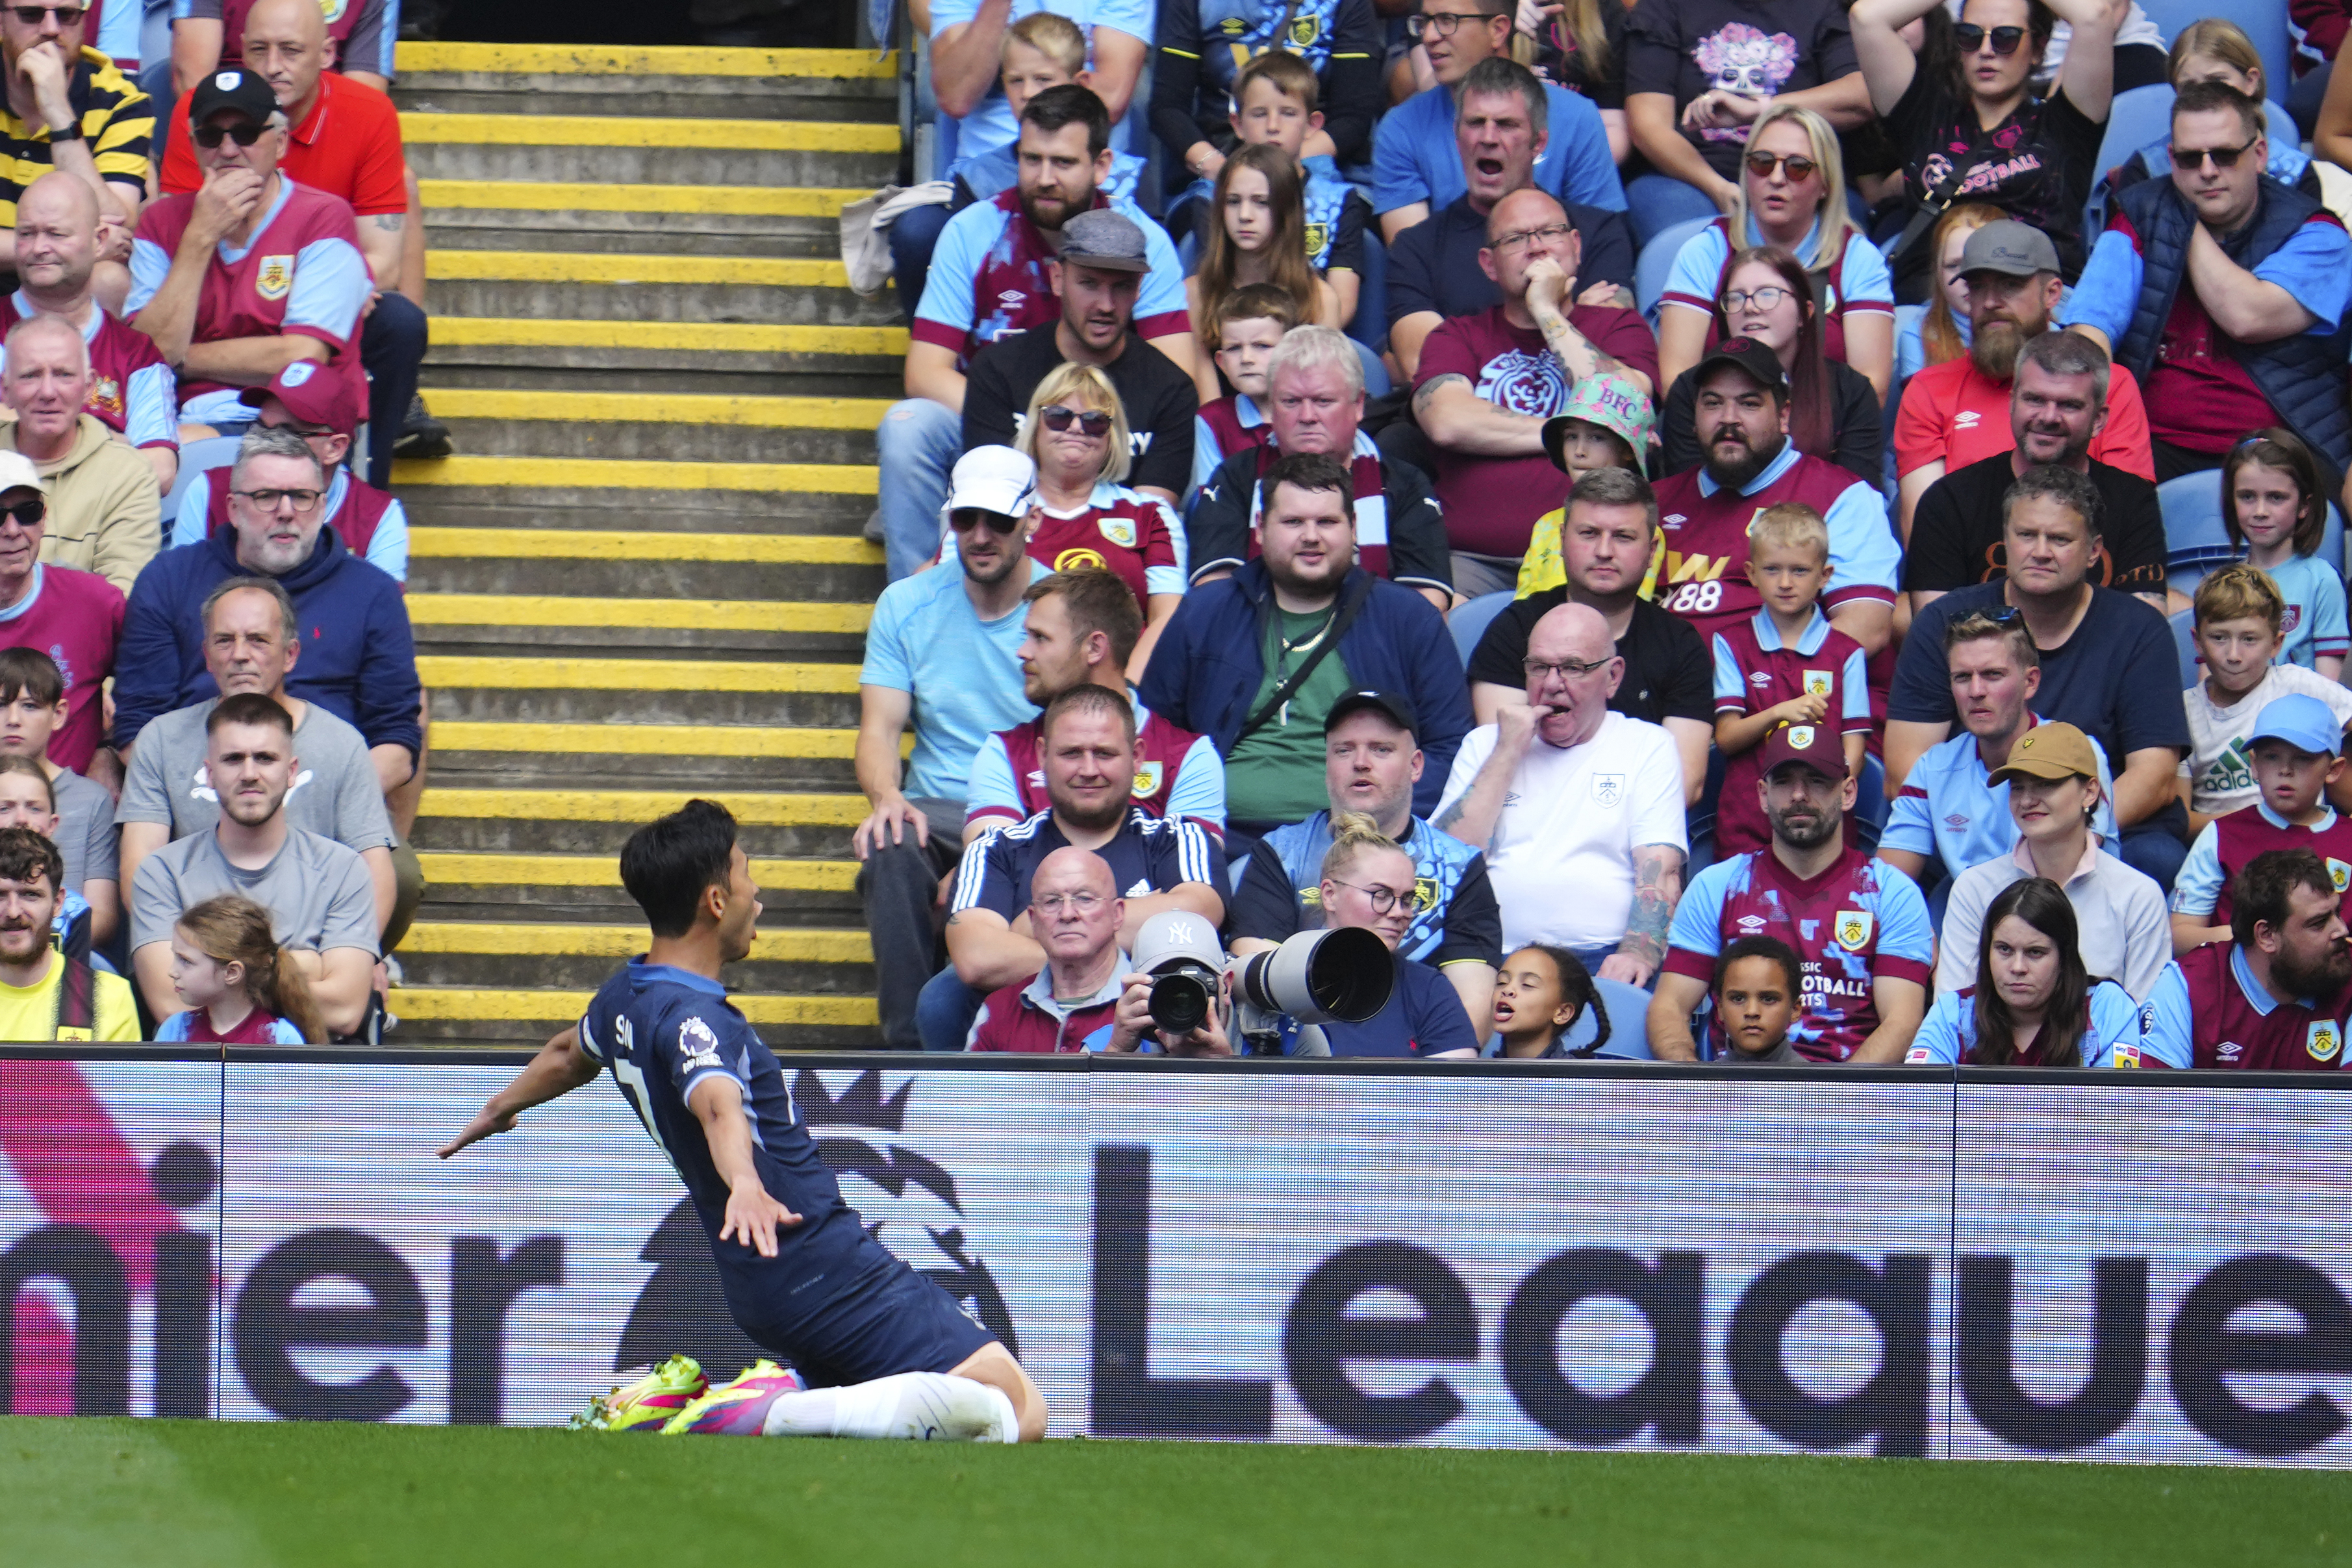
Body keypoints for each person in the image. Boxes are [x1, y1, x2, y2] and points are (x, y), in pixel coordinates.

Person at [440, 799, 1048, 1443]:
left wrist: (497, 1107)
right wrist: (745, 1182)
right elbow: (717, 1100)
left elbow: (570, 1051)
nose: (757, 890)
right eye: (746, 871)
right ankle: (758, 1404)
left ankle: (777, 1400)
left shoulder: (625, 993)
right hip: (820, 1259)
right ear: (715, 900)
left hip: (762, 1279)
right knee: (1016, 1405)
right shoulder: (699, 1018)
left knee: (884, 1418)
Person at [886, 86, 1195, 583]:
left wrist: (1079, 429)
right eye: (1031, 159)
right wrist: (1036, 423)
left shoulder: (1143, 241)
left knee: (1195, 436)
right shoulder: (973, 230)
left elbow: (1173, 376)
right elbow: (925, 372)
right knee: (907, 426)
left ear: (1101, 165)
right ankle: (918, 605)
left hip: (1111, 428)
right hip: (993, 416)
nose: (1044, 179)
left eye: (1064, 162)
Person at [154, 0, 434, 480]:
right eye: (259, 50)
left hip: (322, 293)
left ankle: (370, 482)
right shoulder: (201, 118)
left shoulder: (368, 112)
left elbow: (384, 263)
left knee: (400, 324)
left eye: (290, 51)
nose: (272, 67)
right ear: (238, 51)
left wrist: (318, 290)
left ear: (327, 53)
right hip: (223, 292)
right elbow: (178, 233)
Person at [1888, 465, 2192, 890]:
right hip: (1968, 831)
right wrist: (1998, 845)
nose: (2040, 551)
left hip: (2099, 821)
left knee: (2154, 858)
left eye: (2060, 539)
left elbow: (2155, 778)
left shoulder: (2140, 629)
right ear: (2005, 541)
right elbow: (1905, 768)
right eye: (2026, 535)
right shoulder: (1946, 623)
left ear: (2093, 551)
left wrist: (2047, 837)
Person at [1142, 452, 1472, 842]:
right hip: (1222, 838)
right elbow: (1155, 734)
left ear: (1353, 528)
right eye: (1294, 522)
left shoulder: (1408, 618)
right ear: (1261, 528)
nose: (1311, 536)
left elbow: (1450, 747)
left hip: (1363, 840)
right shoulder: (1205, 612)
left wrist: (1386, 823)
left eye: (1328, 522)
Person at [113, 426, 421, 814]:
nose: (287, 511)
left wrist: (313, 803)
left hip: (332, 803)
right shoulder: (169, 580)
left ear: (323, 507)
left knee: (402, 876)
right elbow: (136, 726)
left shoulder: (372, 592)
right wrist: (225, 800)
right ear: (233, 509)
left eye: (302, 497)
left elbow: (395, 738)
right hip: (193, 796)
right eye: (266, 497)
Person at [2061, 82, 2352, 490]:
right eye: (2189, 158)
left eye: (2225, 154)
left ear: (2260, 154)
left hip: (2285, 444)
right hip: (2156, 442)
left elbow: (2246, 316)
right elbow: (2091, 327)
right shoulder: (2137, 215)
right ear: (2170, 161)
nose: (2208, 170)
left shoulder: (2318, 233)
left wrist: (2185, 219)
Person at [852, 446, 1046, 1051]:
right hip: (938, 804)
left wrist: (985, 852)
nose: (980, 536)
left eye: (999, 521)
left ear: (1032, 520)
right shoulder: (907, 604)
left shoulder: (1059, 607)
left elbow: (1078, 746)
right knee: (890, 840)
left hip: (1035, 805)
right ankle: (909, 1055)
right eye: (966, 520)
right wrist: (886, 795)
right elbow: (879, 728)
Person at [118, 573, 405, 954]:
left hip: (311, 952)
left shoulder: (342, 744)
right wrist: (189, 963)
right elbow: (140, 869)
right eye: (224, 641)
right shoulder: (162, 739)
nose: (240, 655)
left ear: (290, 655)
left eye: (258, 640)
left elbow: (375, 873)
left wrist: (355, 958)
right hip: (197, 953)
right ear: (206, 656)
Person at [1412, 186, 1660, 596]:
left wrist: (1546, 310)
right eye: (1515, 239)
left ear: (1576, 246)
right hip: (1474, 562)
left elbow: (1627, 403)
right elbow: (1446, 422)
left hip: (1595, 554)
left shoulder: (1619, 327)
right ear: (1488, 264)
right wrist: (1580, 433)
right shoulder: (1457, 335)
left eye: (1550, 232)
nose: (1536, 247)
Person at [941, 686, 1225, 1033]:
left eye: (1104, 753)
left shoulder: (1178, 838)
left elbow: (1197, 914)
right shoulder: (995, 848)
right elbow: (978, 958)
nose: (1088, 769)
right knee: (942, 999)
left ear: (1136, 757)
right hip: (1026, 1042)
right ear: (1042, 756)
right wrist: (1125, 946)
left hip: (1156, 1043)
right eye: (1072, 753)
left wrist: (1034, 928)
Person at [1227, 687, 1505, 1039]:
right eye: (1344, 750)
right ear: (1326, 762)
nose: (1361, 762)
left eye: (1381, 749)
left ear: (1416, 765)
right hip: (1304, 1060)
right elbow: (1260, 983)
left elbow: (1470, 1021)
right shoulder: (1280, 854)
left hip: (1417, 1065)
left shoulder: (1460, 866)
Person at [1650, 719, 1931, 1061]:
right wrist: (1699, 1087)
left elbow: (1901, 1022)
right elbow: (1669, 1008)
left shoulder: (1891, 892)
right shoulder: (1716, 886)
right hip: (1738, 1094)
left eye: (1817, 781)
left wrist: (1830, 1106)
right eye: (1784, 782)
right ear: (1763, 795)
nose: (1799, 795)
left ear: (1847, 793)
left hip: (1850, 1097)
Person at [1435, 601, 1686, 981]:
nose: (1552, 684)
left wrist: (1637, 952)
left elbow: (1661, 868)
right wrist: (1507, 752)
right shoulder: (1485, 745)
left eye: (1572, 668)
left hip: (1600, 958)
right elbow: (1447, 865)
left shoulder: (1648, 744)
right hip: (1489, 956)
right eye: (1539, 667)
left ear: (1613, 677)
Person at [127, 68, 368, 442]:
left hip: (294, 423)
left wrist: (184, 360)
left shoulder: (323, 216)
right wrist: (200, 238)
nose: (227, 150)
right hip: (180, 419)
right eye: (209, 136)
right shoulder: (161, 223)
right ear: (192, 146)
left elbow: (300, 356)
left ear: (282, 142)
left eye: (246, 133)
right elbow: (145, 356)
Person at [129, 693, 377, 1036]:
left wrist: (219, 982)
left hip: (303, 1078)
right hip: (197, 1074)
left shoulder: (343, 869)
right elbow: (172, 1005)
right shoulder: (162, 872)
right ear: (209, 774)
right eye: (233, 759)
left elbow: (346, 1009)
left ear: (291, 771)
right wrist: (298, 967)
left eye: (265, 758)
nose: (249, 774)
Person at [1895, 222, 2154, 542]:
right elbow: (1927, 534)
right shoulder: (1929, 390)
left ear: (2053, 293)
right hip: (1969, 583)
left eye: (2009, 285)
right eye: (1977, 286)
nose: (1990, 302)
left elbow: (2126, 517)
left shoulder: (2111, 383)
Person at [1467, 466, 1713, 803]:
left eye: (1623, 536)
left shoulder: (1680, 645)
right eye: (1589, 533)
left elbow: (1685, 785)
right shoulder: (1515, 630)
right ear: (1562, 538)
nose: (1604, 551)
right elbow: (1499, 761)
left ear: (1652, 549)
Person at [1383, 56, 1636, 381]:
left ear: (1539, 143)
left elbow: (1615, 363)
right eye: (1475, 123)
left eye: (1506, 124)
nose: (1488, 137)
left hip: (1580, 424)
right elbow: (1425, 368)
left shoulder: (1598, 232)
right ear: (1457, 136)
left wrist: (1470, 344)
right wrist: (1571, 315)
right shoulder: (1416, 248)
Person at [1647, 338, 1899, 657]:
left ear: (1784, 415)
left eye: (1749, 403)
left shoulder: (1841, 495)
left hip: (1785, 697)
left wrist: (1752, 685)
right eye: (1712, 403)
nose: (1728, 418)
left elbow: (1866, 626)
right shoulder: (1654, 502)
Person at [1849, 0, 2115, 299]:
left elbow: (2095, 15)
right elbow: (1867, 17)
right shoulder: (1924, 115)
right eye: (1970, 35)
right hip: (1932, 304)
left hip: (2034, 303)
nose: (1986, 50)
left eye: (2006, 37)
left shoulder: (2065, 126)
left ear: (2038, 49)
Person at [893, 12, 1150, 320]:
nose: (1028, 93)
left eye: (1043, 79)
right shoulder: (977, 178)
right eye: (1016, 81)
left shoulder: (1124, 181)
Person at [1904, 329, 2168, 613]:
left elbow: (2144, 627)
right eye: (2035, 400)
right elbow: (1939, 631)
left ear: (2099, 420)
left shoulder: (2132, 500)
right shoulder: (1950, 500)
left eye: (2069, 405)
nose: (2048, 417)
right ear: (2012, 403)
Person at [961, 207, 1196, 525]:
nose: (1106, 305)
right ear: (1058, 278)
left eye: (1122, 287)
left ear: (1139, 288)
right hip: (1018, 546)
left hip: (1118, 555)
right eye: (1089, 283)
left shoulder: (1171, 389)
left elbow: (1149, 521)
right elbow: (992, 497)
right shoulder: (998, 369)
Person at [1186, 329, 1454, 607]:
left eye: (1323, 401)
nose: (1307, 417)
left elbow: (1428, 600)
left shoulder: (1405, 483)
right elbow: (1213, 589)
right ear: (1273, 405)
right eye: (1291, 402)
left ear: (1359, 405)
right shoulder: (1235, 476)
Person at [1654, 104, 1895, 400]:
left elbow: (1871, 389)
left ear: (1827, 185)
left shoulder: (1858, 258)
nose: (1777, 178)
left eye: (1797, 167)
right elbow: (1676, 381)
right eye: (1763, 163)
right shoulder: (1706, 251)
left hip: (1826, 439)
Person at [965, 568, 1224, 841]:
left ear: (1095, 648)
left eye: (1040, 638)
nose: (1023, 652)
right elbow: (993, 871)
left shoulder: (1189, 757)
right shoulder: (1003, 753)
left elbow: (1196, 875)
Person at [1877, 609, 2119, 892]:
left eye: (1993, 675)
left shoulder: (2078, 753)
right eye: (1962, 677)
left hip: (2070, 917)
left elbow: (2065, 882)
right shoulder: (1933, 768)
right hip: (1972, 918)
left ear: (2030, 682)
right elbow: (1887, 884)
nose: (1976, 691)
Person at [1936, 718, 2170, 1000]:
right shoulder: (1974, 887)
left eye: (2046, 784)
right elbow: (1953, 1012)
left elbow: (2146, 1022)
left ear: (2090, 791)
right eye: (2017, 787)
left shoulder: (2138, 895)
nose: (2027, 800)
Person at [1620, 0, 1869, 244]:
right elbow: (1649, 125)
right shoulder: (1665, 6)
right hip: (1692, 178)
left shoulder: (1822, 7)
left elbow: (1860, 98)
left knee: (1828, 246)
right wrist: (1717, 188)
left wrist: (1758, 109)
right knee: (1689, 242)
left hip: (1797, 174)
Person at [1373, 10, 1623, 245]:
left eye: (1448, 20)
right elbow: (1414, 263)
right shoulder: (1400, 127)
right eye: (1425, 21)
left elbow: (1603, 246)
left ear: (1498, 30)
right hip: (1452, 288)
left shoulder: (1577, 115)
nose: (1428, 36)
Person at [1710, 503, 1871, 856]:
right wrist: (1778, 712)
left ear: (1825, 575)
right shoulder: (1731, 643)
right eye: (1772, 570)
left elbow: (1853, 750)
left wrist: (1829, 798)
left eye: (1800, 570)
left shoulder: (1847, 653)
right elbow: (1726, 738)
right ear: (1751, 573)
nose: (1785, 583)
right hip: (1747, 823)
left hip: (1824, 828)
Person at [0, 170, 175, 490]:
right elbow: (141, 460)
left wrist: (30, 430)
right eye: (26, 234)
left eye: (56, 234)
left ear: (99, 241)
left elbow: (161, 472)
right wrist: (114, 441)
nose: (39, 247)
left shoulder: (138, 353)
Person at [1001, 370, 1184, 665]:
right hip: (1013, 678)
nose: (1075, 428)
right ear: (1035, 426)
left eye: (1094, 421)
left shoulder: (1150, 514)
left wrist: (1127, 690)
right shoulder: (994, 509)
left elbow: (1167, 618)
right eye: (1059, 416)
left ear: (1112, 437)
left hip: (1120, 687)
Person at [1657, 245, 1881, 483]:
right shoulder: (1689, 389)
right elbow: (1685, 495)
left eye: (1767, 294)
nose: (1751, 307)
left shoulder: (1852, 391)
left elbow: (1858, 496)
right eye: (1736, 298)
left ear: (1805, 312)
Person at [172, 356, 405, 581]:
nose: (267, 442)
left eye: (287, 433)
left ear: (335, 448)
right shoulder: (208, 490)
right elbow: (181, 592)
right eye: (261, 428)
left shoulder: (378, 515)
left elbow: (381, 613)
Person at [1187, 49, 1375, 320]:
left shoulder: (1339, 200)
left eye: (1288, 113)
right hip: (1234, 342)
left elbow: (1342, 303)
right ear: (1237, 124)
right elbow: (1215, 287)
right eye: (1259, 114)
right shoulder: (1212, 198)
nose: (1273, 126)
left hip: (1309, 339)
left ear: (1313, 125)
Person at [2140, 847, 2352, 1069]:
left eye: (2336, 914)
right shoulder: (2186, 987)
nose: (2342, 930)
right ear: (2267, 936)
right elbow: (2157, 1099)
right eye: (2318, 923)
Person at [2173, 693, 2352, 953]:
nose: (2285, 770)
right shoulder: (2223, 834)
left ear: (2334, 770)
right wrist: (2249, 938)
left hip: (2332, 984)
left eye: (2303, 758)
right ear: (2254, 765)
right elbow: (2180, 935)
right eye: (2271, 757)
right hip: (2236, 983)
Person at [1905, 876, 2150, 1065]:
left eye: (2035, 953)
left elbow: (2118, 1112)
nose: (2018, 968)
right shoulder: (1953, 1015)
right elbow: (1920, 1109)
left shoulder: (2106, 1008)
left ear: (2064, 957)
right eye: (2004, 950)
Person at [2181, 564, 2352, 832]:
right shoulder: (2183, 712)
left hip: (2305, 842)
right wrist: (2257, 826)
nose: (2234, 655)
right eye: (2219, 638)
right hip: (2227, 849)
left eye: (2249, 639)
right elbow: (2183, 822)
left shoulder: (2297, 684)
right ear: (2197, 641)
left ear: (2276, 644)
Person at [0, 0, 148, 300]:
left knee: (108, 279)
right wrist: (59, 250)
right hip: (58, 264)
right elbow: (99, 243)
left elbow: (112, 226)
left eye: (67, 15)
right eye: (32, 14)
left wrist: (59, 114)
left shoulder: (121, 100)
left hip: (62, 292)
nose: (51, 29)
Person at [3, 312, 156, 596]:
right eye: (30, 375)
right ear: (5, 390)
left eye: (63, 375)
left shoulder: (127, 473)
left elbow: (121, 596)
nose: (47, 392)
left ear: (88, 388)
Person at [2103, 24, 2325, 217]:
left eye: (2218, 82)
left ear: (2250, 82)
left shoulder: (2297, 175)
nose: (2205, 95)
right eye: (2189, 87)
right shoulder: (2145, 170)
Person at [1152, 0, 1382, 188]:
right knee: (1196, 237)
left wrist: (1283, 169)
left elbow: (1353, 116)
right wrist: (1221, 169)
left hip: (1316, 161)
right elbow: (1167, 107)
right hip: (1219, 158)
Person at [0, 448, 119, 776]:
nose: (12, 530)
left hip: (72, 812)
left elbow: (151, 686)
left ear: (43, 519)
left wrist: (111, 750)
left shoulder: (92, 600)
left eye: (28, 512)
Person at [1185, 144, 1338, 379]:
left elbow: (1318, 389)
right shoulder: (1195, 293)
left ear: (1287, 211)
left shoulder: (1320, 298)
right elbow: (1207, 398)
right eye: (1233, 201)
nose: (1245, 215)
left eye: (1261, 202)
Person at [930, 0, 1146, 164]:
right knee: (918, 223)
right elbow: (956, 97)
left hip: (1083, 172)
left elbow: (1111, 102)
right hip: (985, 177)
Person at [963, 845, 1127, 1053]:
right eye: (1051, 901)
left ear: (1117, 914)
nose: (1067, 914)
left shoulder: (1153, 1001)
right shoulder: (999, 1011)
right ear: (1034, 920)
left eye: (1084, 898)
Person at [0, 646, 114, 944]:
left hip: (66, 953)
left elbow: (101, 915)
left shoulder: (92, 800)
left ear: (59, 714)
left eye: (30, 706)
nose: (13, 719)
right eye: (1, 705)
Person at [1510, 371, 1656, 595]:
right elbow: (1523, 603)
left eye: (1597, 438)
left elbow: (1634, 612)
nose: (1579, 451)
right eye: (1571, 437)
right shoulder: (1546, 525)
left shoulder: (1644, 529)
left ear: (1627, 450)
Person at [2219, 428, 2347, 676]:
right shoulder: (2222, 584)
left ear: (2304, 506)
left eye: (2276, 498)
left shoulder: (2322, 581)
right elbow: (2209, 687)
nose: (2260, 511)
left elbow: (2329, 692)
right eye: (2247, 496)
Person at [0, 826, 136, 1040]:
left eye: (30, 895)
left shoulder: (108, 998)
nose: (13, 911)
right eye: (0, 895)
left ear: (58, 902)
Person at [153, 890, 321, 1043]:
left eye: (186, 961)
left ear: (232, 972)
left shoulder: (280, 1038)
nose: (172, 972)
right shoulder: (174, 1031)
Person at [169, 0, 396, 93]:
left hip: (323, 125)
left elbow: (363, 97)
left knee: (404, 182)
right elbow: (192, 79)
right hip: (232, 120)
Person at [1191, 281, 1291, 488]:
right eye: (1235, 348)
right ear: (1221, 362)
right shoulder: (1212, 420)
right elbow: (1212, 500)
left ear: (1293, 352)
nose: (1246, 358)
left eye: (1262, 346)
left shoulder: (1311, 414)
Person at [1895, 201, 2000, 385]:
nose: (1968, 278)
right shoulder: (1919, 337)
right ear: (1938, 274)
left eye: (1982, 263)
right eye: (1954, 265)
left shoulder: (2048, 334)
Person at [1489, 942, 1611, 1057]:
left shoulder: (1574, 1079)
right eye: (1502, 982)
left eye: (1528, 984)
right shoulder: (1480, 1076)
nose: (1507, 989)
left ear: (1562, 1013)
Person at [1704, 935, 1808, 1063]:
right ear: (1720, 1008)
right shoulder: (1707, 1082)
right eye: (1738, 999)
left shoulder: (1812, 1082)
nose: (1752, 1012)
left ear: (1795, 1009)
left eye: (1769, 999)